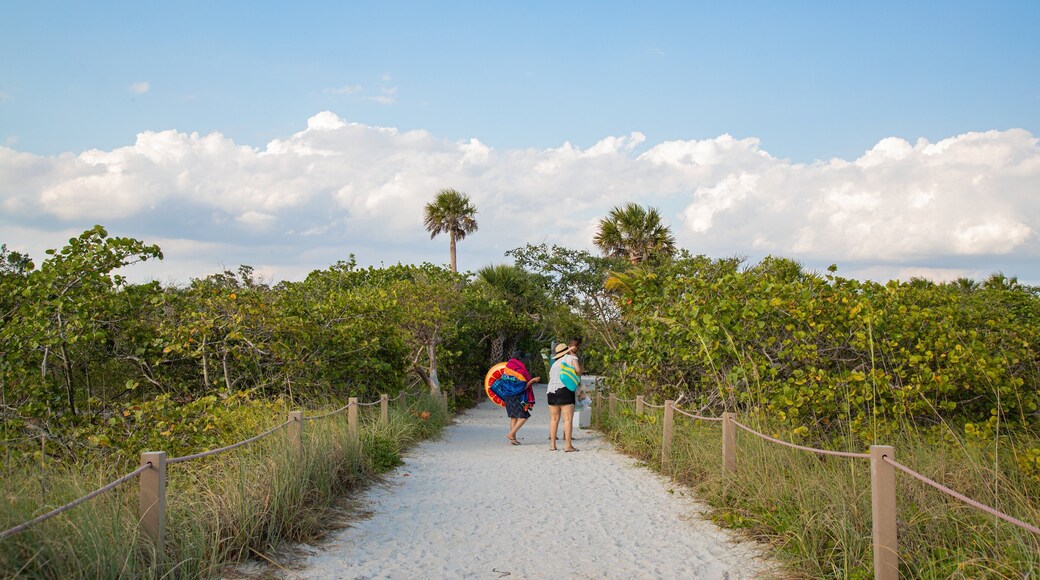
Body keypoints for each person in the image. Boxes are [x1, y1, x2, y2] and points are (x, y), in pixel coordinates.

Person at [546, 341, 581, 452]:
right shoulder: (571, 358)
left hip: (551, 392)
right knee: (567, 419)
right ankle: (568, 446)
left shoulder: (554, 364)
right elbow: (578, 371)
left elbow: (551, 378)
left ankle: (552, 445)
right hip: (565, 390)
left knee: (554, 419)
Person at [501, 351, 539, 445]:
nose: (525, 361)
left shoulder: (507, 368)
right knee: (524, 416)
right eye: (524, 359)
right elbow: (523, 387)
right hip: (516, 396)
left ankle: (513, 440)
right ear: (519, 359)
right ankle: (511, 434)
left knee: (514, 417)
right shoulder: (520, 370)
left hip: (507, 395)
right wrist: (533, 380)